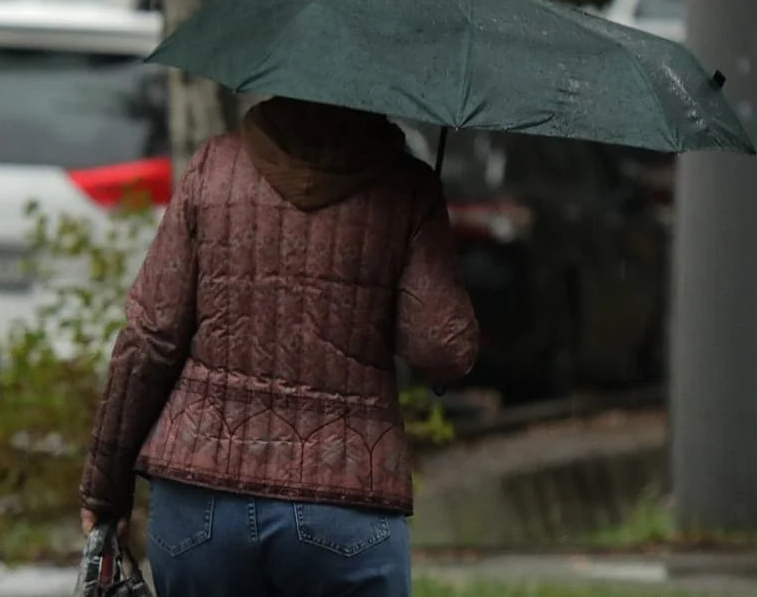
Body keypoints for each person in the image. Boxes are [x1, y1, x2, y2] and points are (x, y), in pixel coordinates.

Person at [78, 96, 480, 597]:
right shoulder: (407, 186)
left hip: (200, 499)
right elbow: (441, 349)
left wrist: (105, 492)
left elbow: (149, 337)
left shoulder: (214, 167)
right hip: (345, 501)